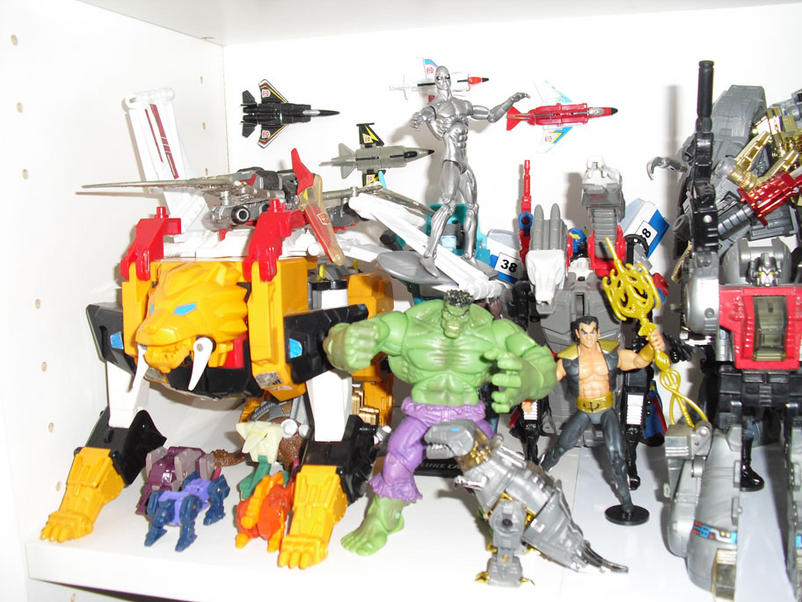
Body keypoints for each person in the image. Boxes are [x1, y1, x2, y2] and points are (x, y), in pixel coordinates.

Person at [323, 289, 556, 554]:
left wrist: (532, 378)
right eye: (449, 314)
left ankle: (498, 521)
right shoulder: (409, 326)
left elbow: (539, 359)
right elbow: (350, 336)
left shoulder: (493, 332)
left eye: (461, 315)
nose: (454, 322)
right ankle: (382, 519)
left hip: (467, 415)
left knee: (490, 469)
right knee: (397, 457)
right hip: (423, 413)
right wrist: (344, 344)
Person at [541, 315, 664, 524]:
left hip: (607, 410)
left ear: (598, 332)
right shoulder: (568, 359)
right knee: (561, 446)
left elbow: (638, 361)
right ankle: (539, 473)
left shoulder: (611, 354)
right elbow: (548, 381)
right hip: (584, 410)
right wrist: (529, 398)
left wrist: (652, 347)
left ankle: (627, 505)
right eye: (585, 332)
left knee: (617, 456)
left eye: (593, 332)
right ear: (577, 334)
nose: (589, 336)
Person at [410, 66, 527, 275]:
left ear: (450, 79)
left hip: (464, 163)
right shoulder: (436, 107)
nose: (443, 81)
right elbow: (426, 114)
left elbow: (491, 115)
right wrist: (420, 118)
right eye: (439, 78)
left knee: (473, 207)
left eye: (446, 77)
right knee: (448, 206)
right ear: (435, 81)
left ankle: (469, 255)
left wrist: (510, 101)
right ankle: (428, 255)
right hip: (451, 162)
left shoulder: (462, 105)